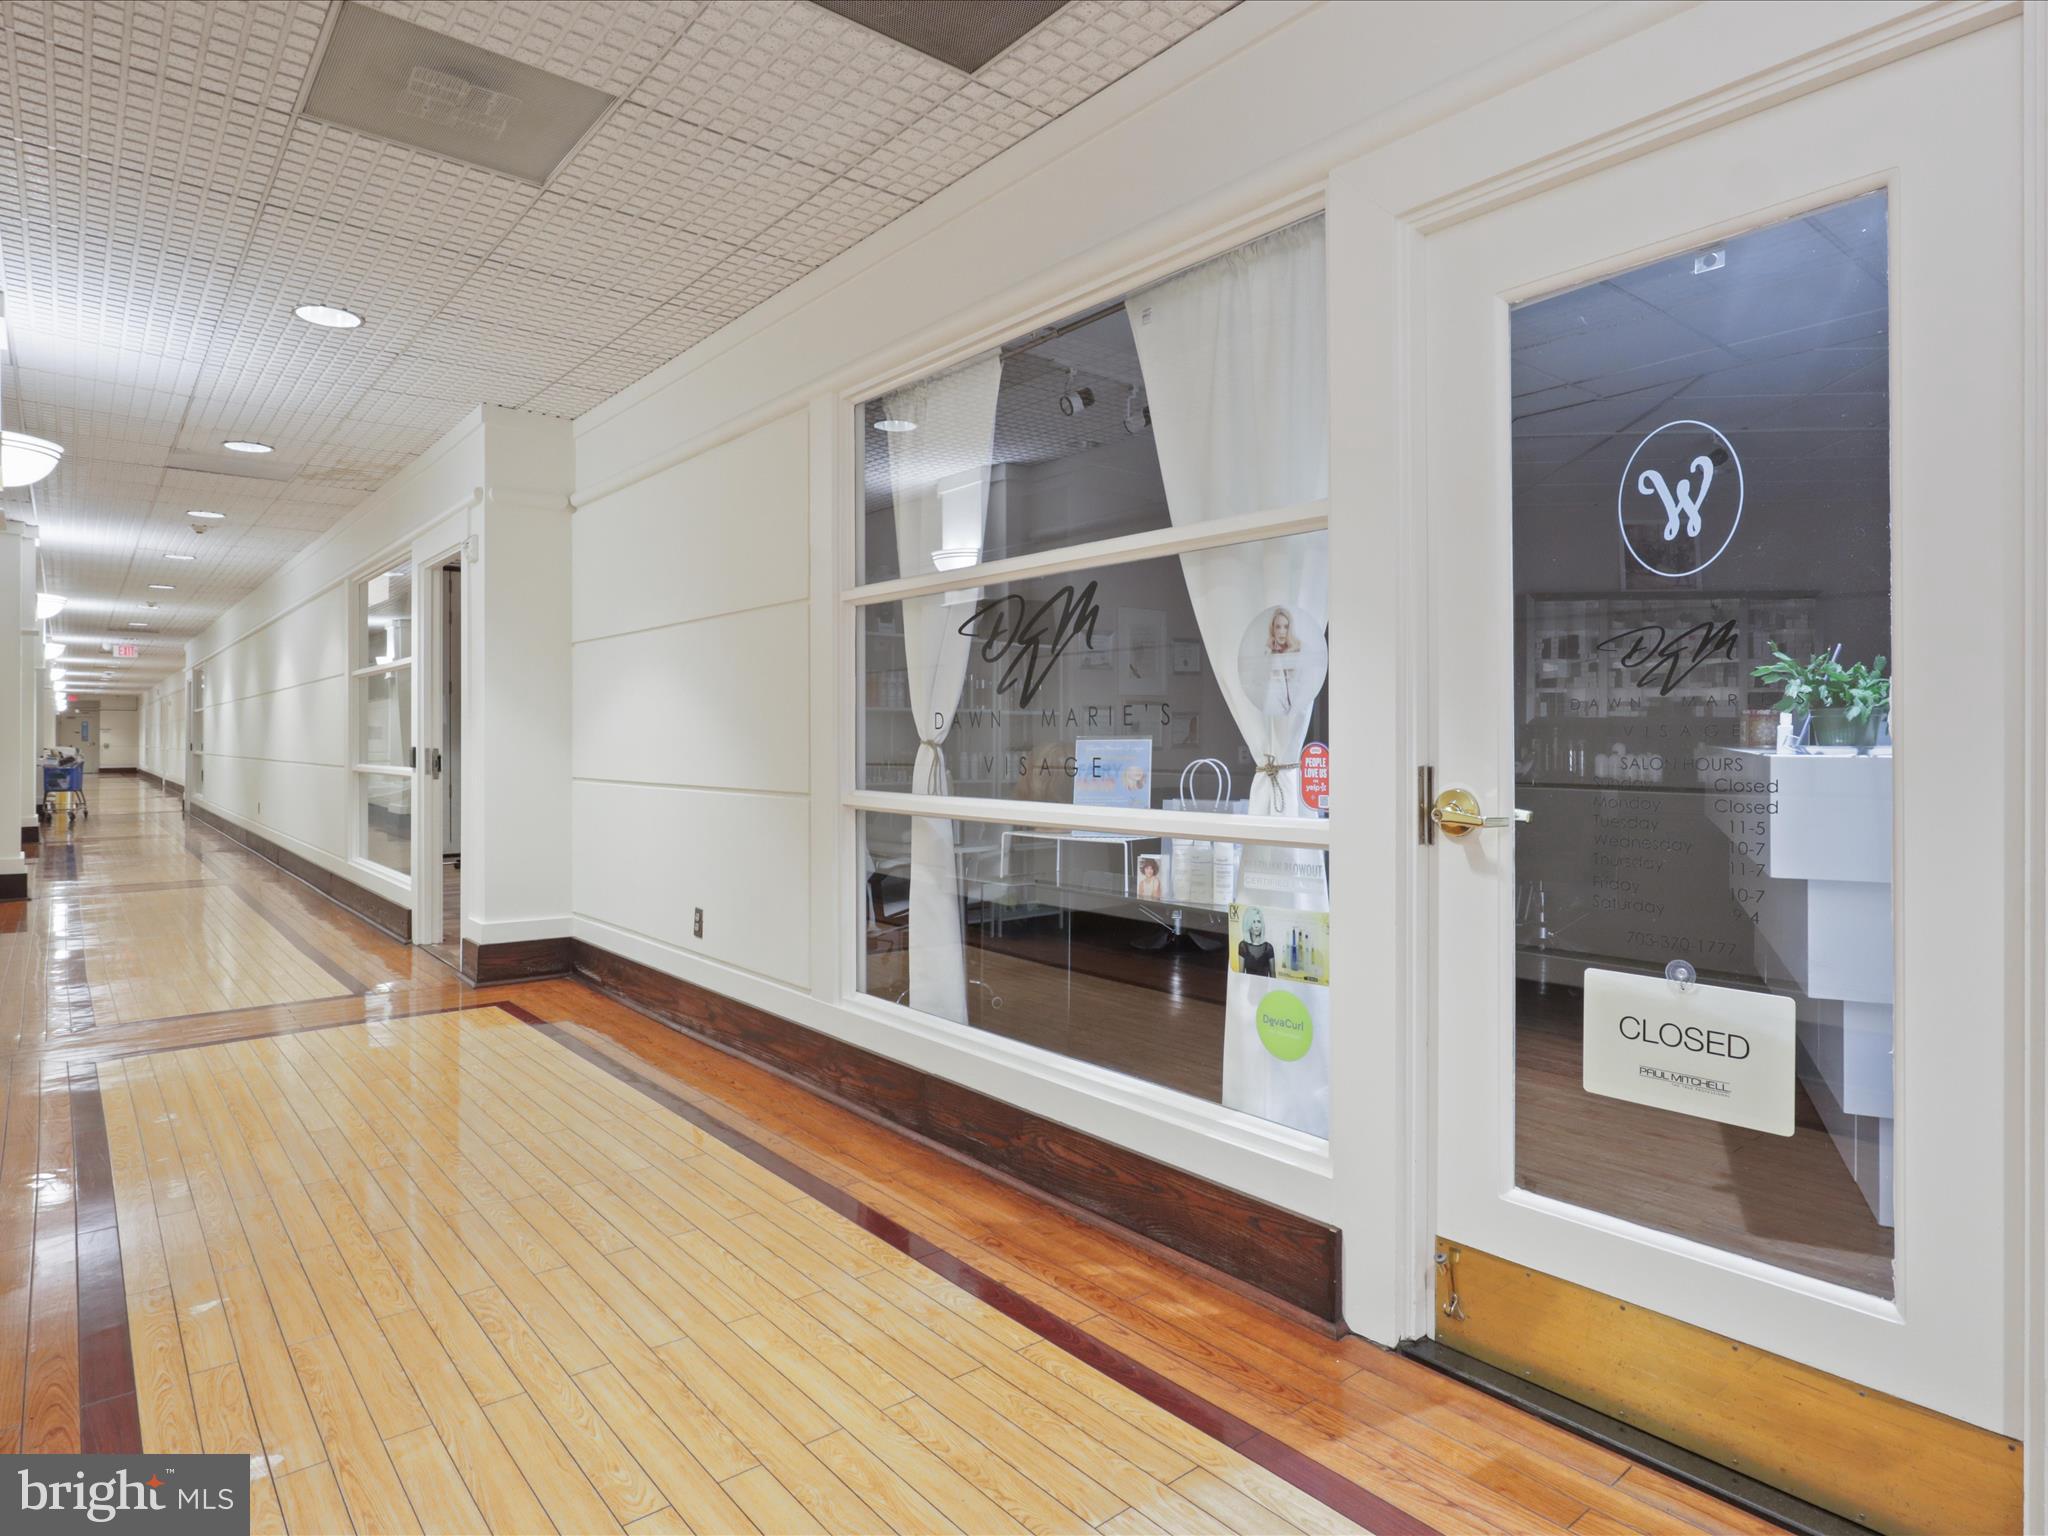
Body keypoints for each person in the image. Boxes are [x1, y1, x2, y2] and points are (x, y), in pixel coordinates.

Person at [1237, 908, 1276, 976]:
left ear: (1262, 924)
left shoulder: (1269, 948)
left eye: (1258, 921)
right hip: (1249, 986)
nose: (1256, 926)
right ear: (1248, 924)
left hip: (1265, 986)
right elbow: (1241, 975)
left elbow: (1273, 975)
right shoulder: (1243, 946)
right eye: (1253, 922)